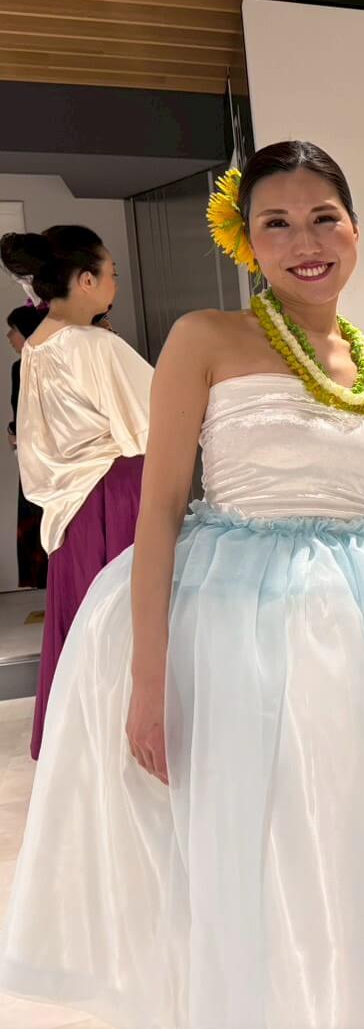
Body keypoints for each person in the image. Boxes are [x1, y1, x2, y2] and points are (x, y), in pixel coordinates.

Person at [0, 141, 364, 1029]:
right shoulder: (205, 337)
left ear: (355, 229)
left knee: (351, 833)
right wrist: (147, 680)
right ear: (246, 241)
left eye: (323, 218)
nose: (304, 242)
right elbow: (160, 509)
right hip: (234, 618)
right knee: (249, 834)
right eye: (276, 223)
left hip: (357, 623)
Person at [2, 226, 150, 759]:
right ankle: (128, 743)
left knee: (84, 617)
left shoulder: (38, 345)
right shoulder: (94, 345)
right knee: (126, 620)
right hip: (116, 493)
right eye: (112, 273)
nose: (115, 284)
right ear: (86, 280)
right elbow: (162, 414)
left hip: (72, 506)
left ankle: (82, 749)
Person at [6, 303, 47, 589]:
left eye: (13, 330)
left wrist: (14, 433)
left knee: (40, 516)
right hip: (32, 453)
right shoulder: (20, 367)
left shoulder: (30, 366)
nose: (9, 336)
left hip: (41, 455)